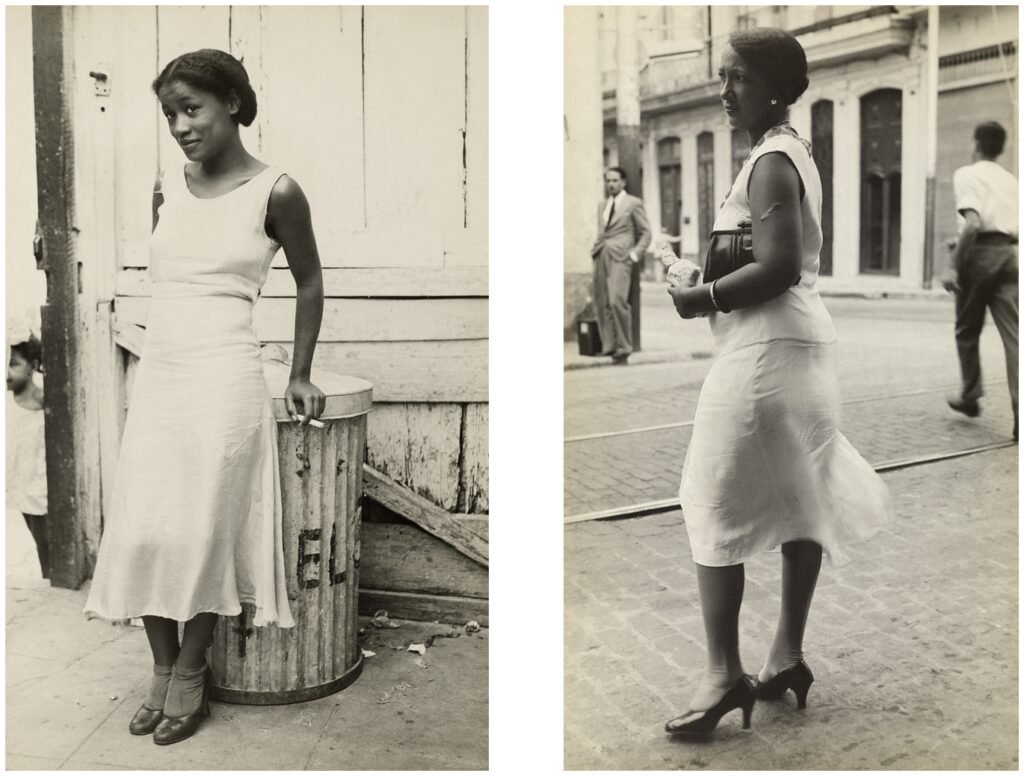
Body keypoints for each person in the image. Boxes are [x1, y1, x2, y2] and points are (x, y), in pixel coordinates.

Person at [83, 48, 327, 745]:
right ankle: (160, 668)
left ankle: (190, 671)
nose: (180, 126)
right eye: (170, 115)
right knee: (149, 524)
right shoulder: (169, 186)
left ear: (233, 104)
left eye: (191, 109)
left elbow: (310, 282)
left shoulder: (277, 191)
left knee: (204, 527)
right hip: (163, 374)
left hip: (224, 377)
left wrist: (300, 373)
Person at [663, 28, 893, 736]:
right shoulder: (795, 153)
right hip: (801, 350)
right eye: (722, 78)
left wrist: (698, 297)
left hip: (765, 356)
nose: (725, 92)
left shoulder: (769, 160)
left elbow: (779, 265)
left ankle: (722, 675)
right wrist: (709, 277)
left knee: (708, 498)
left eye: (736, 77)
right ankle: (786, 655)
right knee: (801, 499)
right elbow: (775, 258)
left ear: (771, 86)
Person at [940, 121, 1018, 441]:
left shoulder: (967, 174)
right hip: (1009, 255)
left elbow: (972, 223)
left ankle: (970, 394)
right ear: (1000, 148)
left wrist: (954, 265)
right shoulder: (1011, 180)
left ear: (975, 144)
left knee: (967, 329)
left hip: (979, 256)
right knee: (1014, 337)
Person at [590, 166, 651, 364]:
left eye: (615, 180)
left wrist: (634, 254)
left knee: (617, 300)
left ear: (623, 182)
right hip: (602, 255)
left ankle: (624, 347)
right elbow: (603, 231)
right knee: (602, 301)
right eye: (608, 181)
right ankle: (609, 346)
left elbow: (646, 232)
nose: (611, 184)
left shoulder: (633, 203)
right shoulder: (602, 205)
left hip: (621, 257)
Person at [6, 326, 49, 580]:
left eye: (13, 365)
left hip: (39, 479)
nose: (6, 371)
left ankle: (51, 578)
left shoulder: (42, 399)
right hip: (19, 479)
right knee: (31, 534)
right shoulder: (7, 401)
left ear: (33, 366)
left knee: (45, 539)